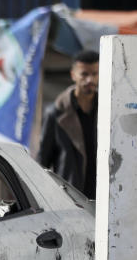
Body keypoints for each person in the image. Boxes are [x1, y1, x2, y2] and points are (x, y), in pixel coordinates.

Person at [38, 49, 100, 199]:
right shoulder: (55, 113)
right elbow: (42, 163)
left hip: (105, 199)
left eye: (94, 74)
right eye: (84, 74)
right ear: (73, 75)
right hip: (70, 199)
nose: (89, 80)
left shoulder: (108, 109)